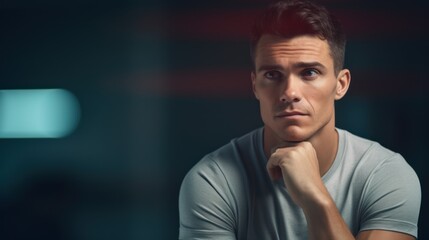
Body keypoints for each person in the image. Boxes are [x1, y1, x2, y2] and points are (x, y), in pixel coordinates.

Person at [178, 0, 421, 239]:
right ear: (255, 86)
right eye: (273, 74)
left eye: (309, 73)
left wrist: (314, 196)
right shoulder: (212, 181)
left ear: (341, 84)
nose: (290, 93)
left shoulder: (385, 174)